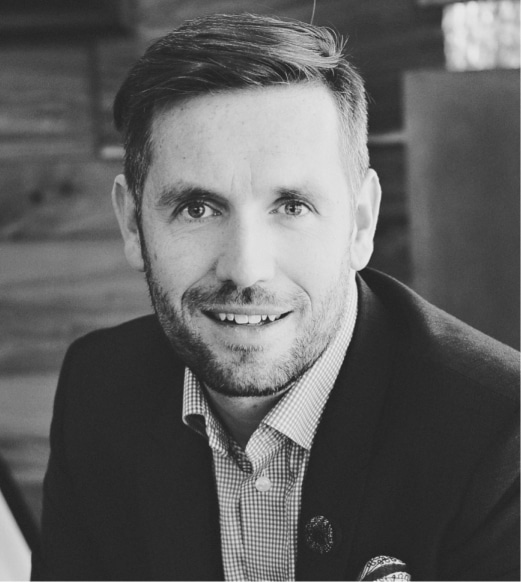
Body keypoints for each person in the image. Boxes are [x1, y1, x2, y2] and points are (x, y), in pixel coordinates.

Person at [32, 13, 519, 582]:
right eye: (197, 208)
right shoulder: (99, 390)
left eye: (291, 206)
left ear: (360, 222)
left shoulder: (499, 436)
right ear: (133, 225)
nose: (246, 268)